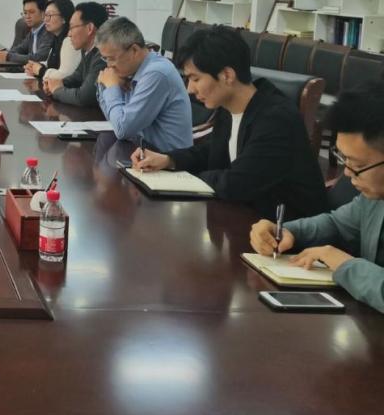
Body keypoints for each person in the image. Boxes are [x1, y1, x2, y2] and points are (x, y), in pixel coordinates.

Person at [132, 25, 327, 219]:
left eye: (195, 79)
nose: (190, 89)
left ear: (227, 75)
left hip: (286, 231)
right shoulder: (229, 107)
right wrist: (168, 160)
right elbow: (211, 151)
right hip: (244, 218)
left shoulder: (276, 119)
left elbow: (237, 184)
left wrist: (188, 179)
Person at [250, 81, 384, 312]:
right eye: (344, 159)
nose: (347, 173)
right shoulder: (374, 197)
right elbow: (337, 224)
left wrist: (343, 263)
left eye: (359, 165)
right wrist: (287, 232)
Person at [94, 17, 192, 151]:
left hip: (168, 159)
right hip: (142, 153)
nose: (109, 65)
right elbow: (115, 120)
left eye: (111, 59)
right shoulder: (131, 71)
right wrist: (103, 86)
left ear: (134, 50)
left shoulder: (156, 73)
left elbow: (122, 129)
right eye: (105, 59)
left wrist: (111, 87)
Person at [42, 2, 108, 107]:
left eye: (72, 27)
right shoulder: (87, 51)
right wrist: (56, 83)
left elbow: (83, 97)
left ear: (89, 28)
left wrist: (57, 90)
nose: (69, 34)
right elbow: (76, 78)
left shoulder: (103, 55)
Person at [25, 0, 79, 81]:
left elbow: (65, 75)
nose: (45, 20)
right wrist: (34, 66)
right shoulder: (56, 38)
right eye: (45, 15)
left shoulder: (70, 41)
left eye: (50, 15)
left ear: (64, 18)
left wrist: (40, 70)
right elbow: (51, 65)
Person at [0, 0, 51, 66]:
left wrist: (8, 56)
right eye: (25, 13)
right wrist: (3, 54)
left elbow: (39, 58)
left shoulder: (49, 32)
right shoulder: (33, 31)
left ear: (43, 13)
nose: (27, 16)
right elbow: (21, 48)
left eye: (31, 12)